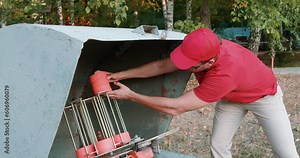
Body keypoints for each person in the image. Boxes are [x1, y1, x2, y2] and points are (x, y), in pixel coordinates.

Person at [106, 28, 299, 158]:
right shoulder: (199, 50)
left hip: (263, 97)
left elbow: (176, 107)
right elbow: (161, 66)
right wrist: (120, 75)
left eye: (190, 66)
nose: (183, 67)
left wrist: (131, 96)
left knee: (286, 153)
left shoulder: (225, 74)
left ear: (209, 63)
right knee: (219, 145)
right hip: (231, 97)